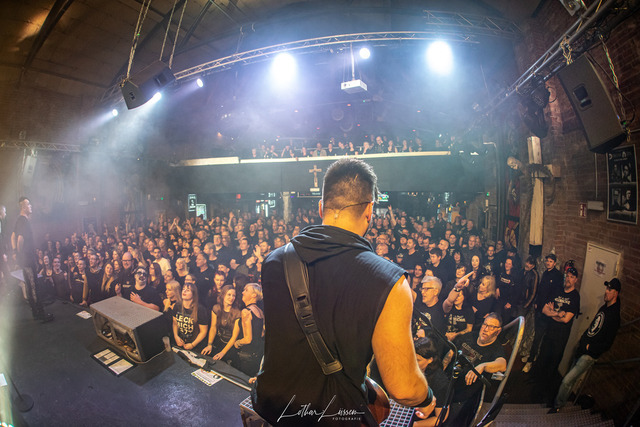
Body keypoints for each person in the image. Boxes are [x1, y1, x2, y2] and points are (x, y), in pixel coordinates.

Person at [254, 158, 432, 426]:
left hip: (272, 410)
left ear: (321, 207)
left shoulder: (274, 260)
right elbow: (404, 389)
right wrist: (427, 399)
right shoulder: (389, 281)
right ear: (370, 210)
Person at [549, 278, 621, 413]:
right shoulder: (604, 308)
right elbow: (594, 326)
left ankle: (557, 406)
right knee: (570, 380)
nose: (606, 291)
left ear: (616, 293)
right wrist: (583, 340)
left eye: (610, 289)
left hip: (589, 355)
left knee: (567, 381)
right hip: (582, 348)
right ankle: (561, 403)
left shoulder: (615, 316)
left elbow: (608, 343)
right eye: (606, 288)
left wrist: (590, 348)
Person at [443, 312, 507, 425]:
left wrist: (483, 366)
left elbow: (502, 364)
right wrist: (441, 372)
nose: (486, 329)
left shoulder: (496, 349)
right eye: (485, 324)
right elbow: (450, 353)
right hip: (446, 385)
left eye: (491, 327)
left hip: (461, 397)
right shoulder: (470, 336)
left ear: (498, 331)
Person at [529, 267, 581, 398]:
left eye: (571, 277)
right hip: (549, 331)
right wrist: (557, 314)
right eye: (567, 276)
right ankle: (535, 384)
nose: (568, 279)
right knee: (542, 357)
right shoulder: (558, 290)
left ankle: (544, 391)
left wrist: (552, 313)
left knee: (553, 363)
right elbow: (545, 310)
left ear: (576, 280)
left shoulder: (575, 296)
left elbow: (566, 319)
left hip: (560, 337)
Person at [13, 197, 53, 322]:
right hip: (27, 259)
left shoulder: (19, 220)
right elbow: (19, 239)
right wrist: (20, 255)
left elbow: (13, 236)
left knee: (30, 285)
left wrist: (15, 252)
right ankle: (40, 313)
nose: (31, 206)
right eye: (28, 204)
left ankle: (36, 312)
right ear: (23, 206)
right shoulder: (23, 221)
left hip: (25, 259)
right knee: (33, 285)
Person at [413, 336, 451, 426]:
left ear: (430, 360)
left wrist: (412, 425)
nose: (413, 362)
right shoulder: (407, 366)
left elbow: (440, 418)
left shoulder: (440, 381)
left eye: (418, 360)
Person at [201, 285, 241, 362]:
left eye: (234, 295)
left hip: (230, 345)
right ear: (223, 295)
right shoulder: (216, 308)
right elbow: (213, 327)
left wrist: (223, 353)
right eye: (229, 294)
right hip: (218, 341)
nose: (231, 298)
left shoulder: (237, 313)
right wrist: (209, 344)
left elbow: (234, 337)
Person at [233, 283, 264, 376]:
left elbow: (248, 339)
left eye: (246, 290)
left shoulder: (246, 311)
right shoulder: (260, 311)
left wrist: (237, 343)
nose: (243, 292)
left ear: (254, 295)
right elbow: (262, 334)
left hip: (246, 355)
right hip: (257, 354)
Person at [173, 279, 209, 352]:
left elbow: (203, 332)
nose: (184, 291)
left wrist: (192, 344)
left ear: (193, 294)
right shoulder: (177, 306)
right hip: (181, 342)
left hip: (196, 345)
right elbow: (175, 323)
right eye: (183, 289)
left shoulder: (200, 309)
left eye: (188, 290)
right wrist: (176, 336)